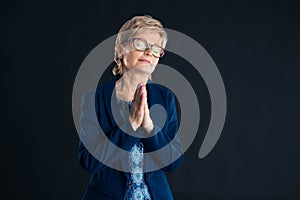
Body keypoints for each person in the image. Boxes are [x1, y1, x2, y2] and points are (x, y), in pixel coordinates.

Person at [78, 15, 183, 200]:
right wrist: (130, 125)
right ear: (120, 49)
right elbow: (90, 162)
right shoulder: (94, 99)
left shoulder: (165, 98)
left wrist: (149, 127)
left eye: (157, 48)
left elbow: (173, 162)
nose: (150, 52)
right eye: (141, 44)